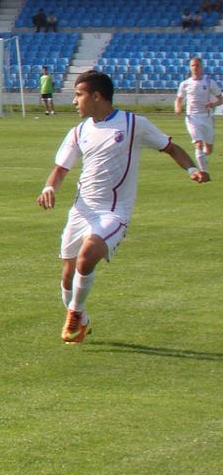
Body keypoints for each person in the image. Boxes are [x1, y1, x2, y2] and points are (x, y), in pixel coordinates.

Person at [36, 70, 207, 344]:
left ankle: (74, 316)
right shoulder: (79, 131)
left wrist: (191, 170)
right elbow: (61, 168)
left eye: (78, 95)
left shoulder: (133, 123)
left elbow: (171, 148)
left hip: (113, 212)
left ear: (96, 96)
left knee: (87, 255)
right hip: (81, 210)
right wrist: (49, 188)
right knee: (67, 278)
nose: (74, 102)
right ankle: (82, 320)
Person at [174, 56, 223, 173]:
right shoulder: (185, 84)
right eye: (193, 65)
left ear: (202, 67)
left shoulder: (209, 82)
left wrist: (213, 104)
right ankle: (204, 171)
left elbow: (221, 99)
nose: (195, 67)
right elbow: (179, 99)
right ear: (190, 68)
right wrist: (178, 107)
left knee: (209, 149)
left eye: (197, 65)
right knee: (198, 144)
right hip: (192, 118)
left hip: (206, 118)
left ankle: (202, 156)